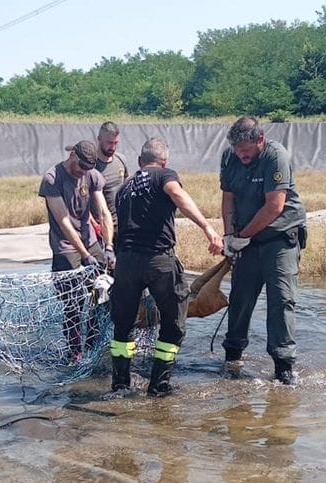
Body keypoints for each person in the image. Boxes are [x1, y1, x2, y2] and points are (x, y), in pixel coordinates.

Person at [109, 137, 223, 396]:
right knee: (174, 323)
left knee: (123, 325)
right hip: (157, 260)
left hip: (125, 262)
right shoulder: (164, 176)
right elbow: (176, 193)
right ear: (164, 162)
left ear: (139, 162)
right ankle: (159, 387)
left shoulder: (124, 187)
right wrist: (208, 228)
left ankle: (120, 386)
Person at [219, 116, 306, 385]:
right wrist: (229, 236)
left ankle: (283, 365)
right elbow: (228, 199)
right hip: (246, 240)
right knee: (240, 298)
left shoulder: (275, 156)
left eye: (245, 149)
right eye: (237, 149)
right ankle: (232, 357)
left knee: (281, 300)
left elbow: (274, 207)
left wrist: (243, 236)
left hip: (279, 237)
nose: (241, 154)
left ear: (260, 140)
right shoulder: (229, 157)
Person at [38, 140, 115, 363]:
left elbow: (103, 212)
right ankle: (75, 353)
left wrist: (107, 246)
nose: (83, 172)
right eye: (81, 167)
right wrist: (84, 256)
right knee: (72, 304)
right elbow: (63, 221)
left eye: (88, 168)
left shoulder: (92, 176)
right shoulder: (53, 178)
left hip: (91, 242)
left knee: (102, 295)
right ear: (72, 155)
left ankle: (93, 344)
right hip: (66, 248)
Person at [94, 121, 131, 230]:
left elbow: (127, 189)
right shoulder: (91, 165)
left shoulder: (121, 160)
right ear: (99, 139)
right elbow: (82, 200)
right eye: (109, 143)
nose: (113, 147)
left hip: (121, 224)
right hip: (100, 226)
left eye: (116, 143)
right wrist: (95, 225)